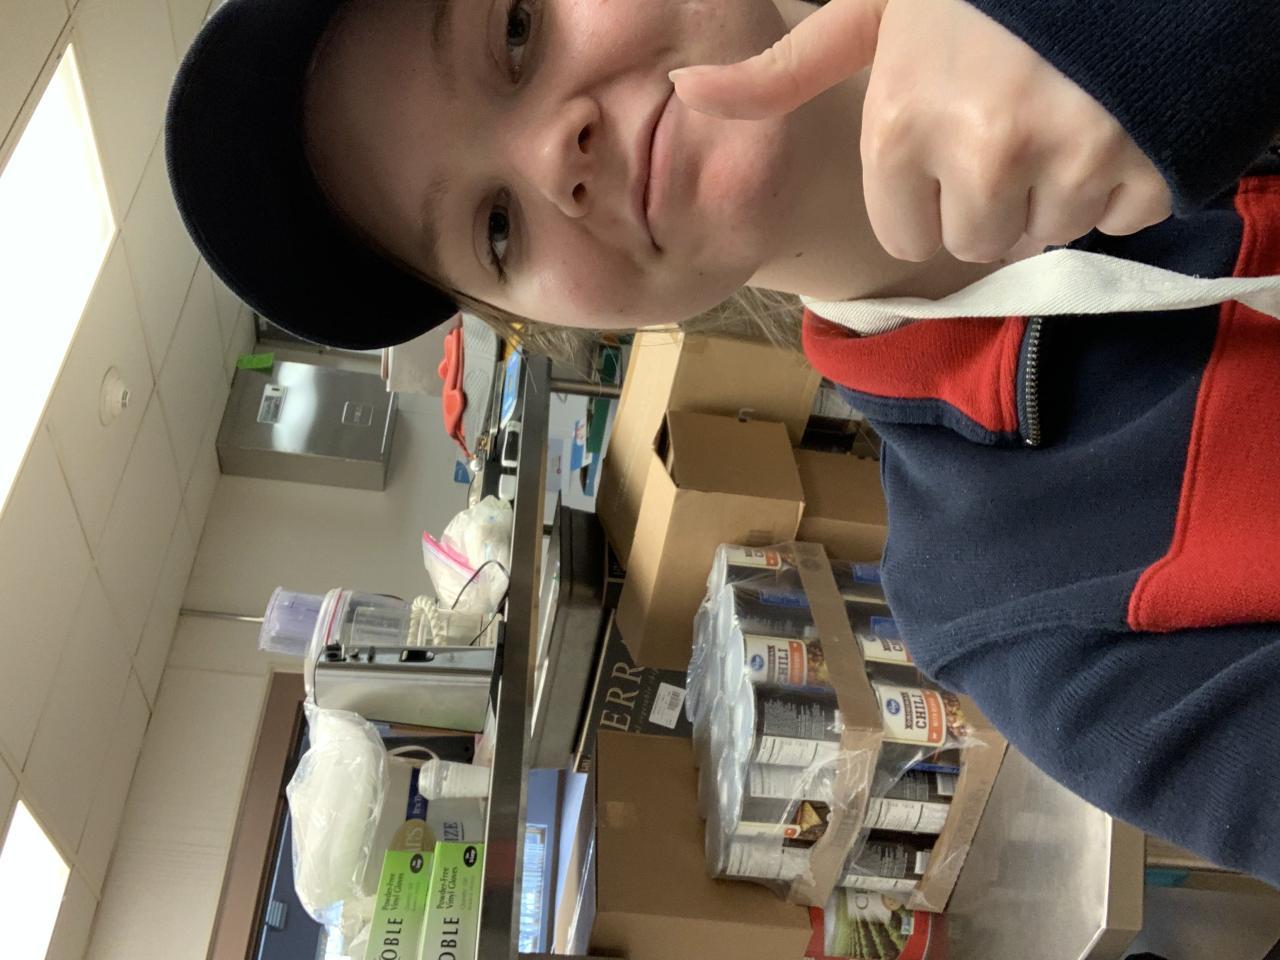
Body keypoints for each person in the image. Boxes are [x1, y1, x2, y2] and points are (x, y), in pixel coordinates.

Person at [166, 0, 1280, 885]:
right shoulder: (1017, 603)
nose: (552, 157)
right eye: (495, 227)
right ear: (541, 320)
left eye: (515, 26)